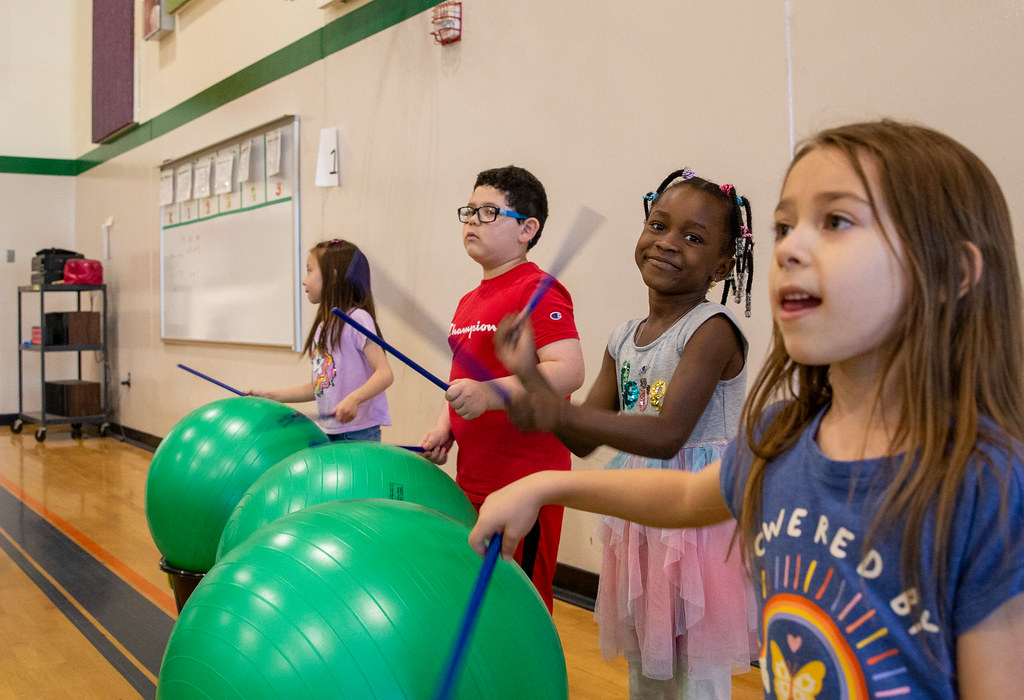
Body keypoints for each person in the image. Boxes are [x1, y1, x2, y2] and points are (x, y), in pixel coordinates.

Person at [472, 121, 1024, 699]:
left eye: (835, 221)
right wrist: (538, 485)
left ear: (953, 275)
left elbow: (668, 444)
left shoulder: (988, 485)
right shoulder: (779, 435)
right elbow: (686, 497)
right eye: (786, 226)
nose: (790, 246)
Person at [490, 168, 759, 699]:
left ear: (724, 264)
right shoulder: (623, 337)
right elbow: (585, 438)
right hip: (639, 515)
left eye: (693, 237)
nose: (667, 243)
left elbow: (665, 435)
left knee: (695, 679)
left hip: (696, 524)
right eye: (658, 224)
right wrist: (528, 381)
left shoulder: (713, 329)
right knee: (649, 665)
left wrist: (550, 407)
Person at [419, 165, 585, 613]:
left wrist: (490, 395)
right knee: (477, 606)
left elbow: (568, 370)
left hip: (525, 483)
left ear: (526, 230)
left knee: (518, 609)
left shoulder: (539, 289)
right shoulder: (468, 301)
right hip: (473, 481)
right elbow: (463, 376)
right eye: (469, 211)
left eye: (489, 211)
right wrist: (445, 425)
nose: (471, 220)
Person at [249, 239, 393, 441]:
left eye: (309, 271)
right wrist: (270, 396)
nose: (304, 280)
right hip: (328, 432)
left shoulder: (357, 319)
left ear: (332, 276)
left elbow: (385, 373)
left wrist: (354, 399)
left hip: (358, 433)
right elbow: (318, 387)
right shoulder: (323, 326)